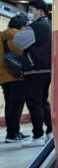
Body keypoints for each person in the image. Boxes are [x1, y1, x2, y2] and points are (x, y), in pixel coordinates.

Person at [13, 0, 52, 147]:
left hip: (35, 69)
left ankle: (38, 135)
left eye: (31, 10)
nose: (29, 13)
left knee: (34, 103)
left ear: (40, 12)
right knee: (43, 102)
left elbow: (18, 41)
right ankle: (50, 131)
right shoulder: (49, 25)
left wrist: (26, 28)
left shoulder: (36, 27)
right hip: (46, 69)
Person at [0, 13, 27, 142]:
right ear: (21, 26)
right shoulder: (18, 37)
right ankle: (13, 133)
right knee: (16, 106)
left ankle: (10, 132)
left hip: (4, 77)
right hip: (17, 76)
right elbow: (24, 55)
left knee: (9, 105)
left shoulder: (2, 38)